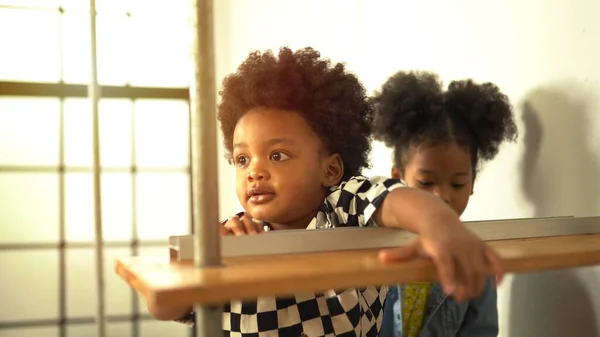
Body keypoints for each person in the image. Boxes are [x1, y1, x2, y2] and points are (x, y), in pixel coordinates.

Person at [144, 48, 504, 336]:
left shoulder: (340, 209)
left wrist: (441, 226)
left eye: (277, 155)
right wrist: (187, 272)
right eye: (241, 159)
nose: (254, 170)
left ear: (330, 169)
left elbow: (394, 197)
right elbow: (166, 309)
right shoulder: (233, 236)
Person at [372, 70, 518, 337]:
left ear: (472, 183)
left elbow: (481, 331)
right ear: (398, 178)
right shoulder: (370, 248)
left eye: (458, 183)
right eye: (426, 183)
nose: (441, 197)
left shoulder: (474, 260)